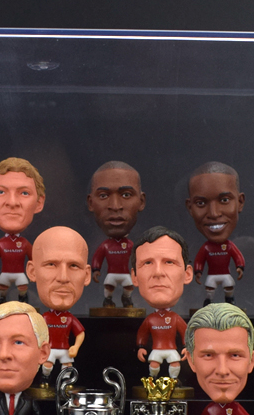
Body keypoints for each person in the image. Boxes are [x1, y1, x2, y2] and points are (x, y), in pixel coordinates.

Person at [184, 303, 254, 415]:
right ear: (191, 360)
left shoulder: (236, 409)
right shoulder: (209, 410)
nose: (222, 370)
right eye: (208, 355)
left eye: (235, 355)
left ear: (251, 361)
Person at [26, 226, 91, 388]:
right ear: (32, 271)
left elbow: (80, 333)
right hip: (47, 351)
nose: (63, 277)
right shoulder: (42, 319)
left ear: (87, 275)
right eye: (51, 264)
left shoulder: (69, 319)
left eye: (74, 265)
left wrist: (76, 346)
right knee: (47, 366)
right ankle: (45, 380)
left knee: (66, 367)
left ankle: (65, 383)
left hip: (64, 350)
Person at [130, 227, 193, 383]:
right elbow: (142, 334)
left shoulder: (175, 318)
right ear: (134, 277)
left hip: (171, 349)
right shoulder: (150, 320)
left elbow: (185, 333)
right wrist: (141, 347)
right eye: (147, 263)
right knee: (154, 364)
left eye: (169, 262)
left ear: (187, 274)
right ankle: (152, 378)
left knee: (174, 363)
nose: (158, 272)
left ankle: (174, 379)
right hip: (157, 350)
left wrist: (187, 346)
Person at [0, 157, 45, 304]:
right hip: (5, 274)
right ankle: (1, 300)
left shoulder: (25, 244)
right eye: (1, 192)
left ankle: (23, 299)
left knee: (22, 287)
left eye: (24, 193)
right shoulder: (1, 243)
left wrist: (36, 272)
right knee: (2, 288)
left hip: (20, 274)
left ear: (39, 203)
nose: (12, 202)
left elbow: (33, 258)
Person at [87, 161, 146, 308]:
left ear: (141, 201)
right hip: (112, 275)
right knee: (109, 287)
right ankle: (108, 300)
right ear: (90, 202)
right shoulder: (103, 246)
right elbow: (98, 257)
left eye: (126, 195)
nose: (115, 206)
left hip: (126, 275)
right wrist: (96, 269)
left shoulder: (138, 246)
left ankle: (126, 299)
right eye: (103, 195)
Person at [185, 161, 245, 307]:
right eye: (201, 203)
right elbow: (199, 260)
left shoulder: (230, 246)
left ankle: (229, 300)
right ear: (190, 207)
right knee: (210, 287)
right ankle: (209, 301)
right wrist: (198, 271)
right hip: (212, 276)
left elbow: (238, 257)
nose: (214, 213)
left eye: (224, 200)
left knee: (228, 285)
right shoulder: (205, 248)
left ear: (240, 202)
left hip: (225, 274)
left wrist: (240, 266)